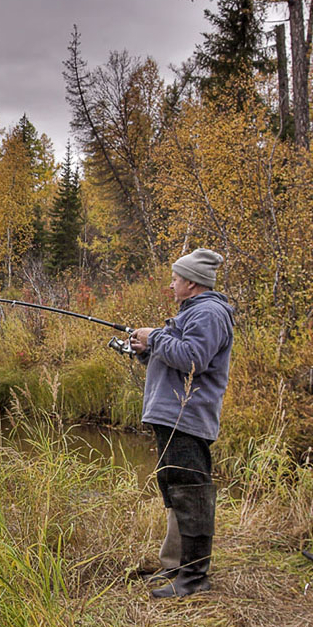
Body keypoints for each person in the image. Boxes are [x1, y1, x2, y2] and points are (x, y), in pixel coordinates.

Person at [129, 248, 235, 598]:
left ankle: (194, 578)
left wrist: (155, 337)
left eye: (175, 277)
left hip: (186, 417)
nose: (171, 283)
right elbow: (177, 360)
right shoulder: (193, 312)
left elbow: (193, 360)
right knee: (176, 490)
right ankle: (176, 568)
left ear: (191, 282)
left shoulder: (208, 313)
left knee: (191, 494)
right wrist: (147, 350)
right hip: (172, 415)